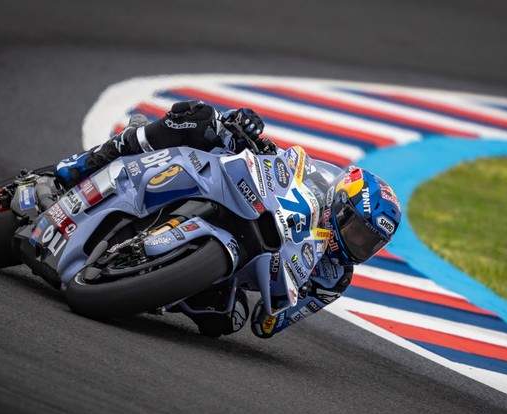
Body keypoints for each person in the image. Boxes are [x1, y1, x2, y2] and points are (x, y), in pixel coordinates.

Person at [55, 101, 402, 338]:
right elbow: (281, 162)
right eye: (357, 231)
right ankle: (89, 162)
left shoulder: (335, 278)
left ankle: (147, 284)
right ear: (340, 206)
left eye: (368, 243)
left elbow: (267, 325)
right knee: (197, 117)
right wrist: (246, 129)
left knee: (224, 320)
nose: (358, 243)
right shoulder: (315, 182)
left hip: (242, 268)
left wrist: (280, 303)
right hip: (246, 200)